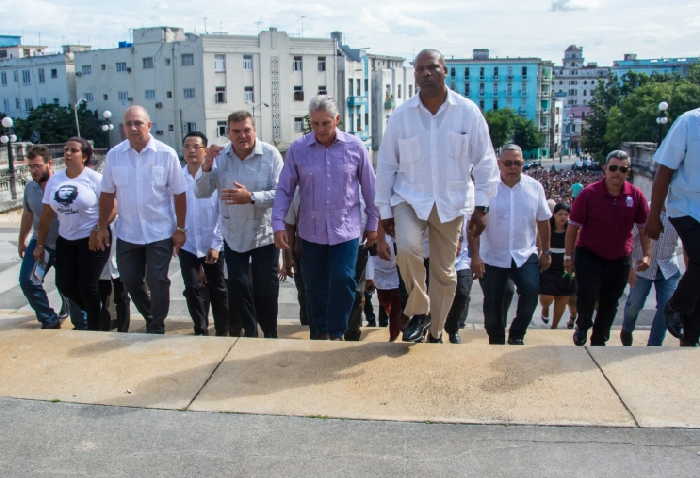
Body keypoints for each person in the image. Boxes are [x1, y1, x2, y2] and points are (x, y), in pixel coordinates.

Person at [375, 48, 499, 344]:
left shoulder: (467, 112)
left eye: (432, 67)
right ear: (414, 74)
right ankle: (419, 310)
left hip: (451, 202)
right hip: (408, 199)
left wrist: (482, 206)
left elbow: (484, 160)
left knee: (445, 274)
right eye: (420, 69)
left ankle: (434, 330)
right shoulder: (402, 116)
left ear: (444, 70)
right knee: (406, 248)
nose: (426, 73)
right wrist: (385, 212)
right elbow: (387, 165)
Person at [273, 96, 379, 340]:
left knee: (343, 280)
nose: (320, 130)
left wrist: (373, 224)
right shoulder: (298, 149)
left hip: (347, 229)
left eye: (326, 123)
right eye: (315, 124)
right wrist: (278, 223)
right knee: (315, 287)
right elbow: (284, 189)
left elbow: (371, 189)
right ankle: (318, 333)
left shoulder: (355, 147)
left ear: (337, 120)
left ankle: (337, 331)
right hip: (311, 232)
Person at [95, 105, 187, 334]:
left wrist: (181, 228)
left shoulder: (166, 154)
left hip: (160, 232)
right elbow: (107, 194)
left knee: (157, 280)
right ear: (123, 128)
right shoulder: (115, 155)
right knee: (130, 280)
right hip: (128, 232)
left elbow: (180, 193)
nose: (134, 128)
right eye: (129, 124)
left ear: (149, 126)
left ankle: (156, 325)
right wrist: (102, 226)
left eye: (138, 123)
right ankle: (150, 315)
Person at [197, 110, 283, 338]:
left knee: (266, 289)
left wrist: (251, 197)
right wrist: (206, 166)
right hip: (234, 233)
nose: (242, 136)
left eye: (247, 130)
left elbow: (282, 194)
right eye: (236, 132)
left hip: (264, 233)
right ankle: (251, 333)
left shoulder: (271, 154)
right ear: (229, 134)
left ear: (254, 130)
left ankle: (270, 332)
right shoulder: (221, 157)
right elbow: (202, 192)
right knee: (239, 285)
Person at [565, 150, 651, 346]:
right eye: (613, 168)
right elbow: (573, 227)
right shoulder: (589, 194)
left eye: (622, 169)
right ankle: (582, 324)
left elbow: (644, 228)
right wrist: (568, 257)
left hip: (619, 257)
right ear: (605, 169)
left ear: (628, 172)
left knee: (611, 300)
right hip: (589, 254)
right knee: (587, 294)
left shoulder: (635, 196)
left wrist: (647, 255)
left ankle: (600, 336)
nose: (617, 173)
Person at [472, 144, 552, 345]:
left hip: (524, 254)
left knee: (531, 291)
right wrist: (475, 256)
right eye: (508, 163)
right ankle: (496, 338)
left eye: (517, 163)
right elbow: (473, 224)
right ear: (499, 164)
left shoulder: (534, 187)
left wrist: (546, 251)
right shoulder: (486, 189)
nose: (513, 167)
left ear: (523, 164)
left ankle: (517, 334)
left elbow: (543, 221)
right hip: (493, 256)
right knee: (493, 303)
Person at [35, 137, 112, 331]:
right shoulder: (56, 180)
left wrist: (99, 228)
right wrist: (40, 244)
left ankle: (96, 327)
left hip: (93, 238)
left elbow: (112, 208)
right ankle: (99, 313)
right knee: (65, 284)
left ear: (84, 156)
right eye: (66, 150)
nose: (68, 153)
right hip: (66, 240)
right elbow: (46, 216)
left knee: (88, 285)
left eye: (74, 150)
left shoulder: (95, 179)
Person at [647, 107, 700, 346]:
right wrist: (654, 214)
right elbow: (664, 171)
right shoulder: (688, 122)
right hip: (686, 208)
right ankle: (675, 306)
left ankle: (690, 337)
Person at [18, 146, 77, 329]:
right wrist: (22, 240)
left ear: (49, 164)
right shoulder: (30, 187)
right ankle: (49, 320)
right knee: (28, 281)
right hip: (40, 244)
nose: (34, 171)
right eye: (31, 167)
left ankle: (79, 319)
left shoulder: (63, 185)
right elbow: (28, 214)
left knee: (69, 286)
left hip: (65, 242)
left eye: (37, 166)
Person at [179, 131, 229, 336]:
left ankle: (222, 331)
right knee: (192, 289)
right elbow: (172, 208)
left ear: (205, 151)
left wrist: (216, 244)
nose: (191, 150)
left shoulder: (214, 176)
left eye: (196, 146)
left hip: (213, 244)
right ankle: (200, 329)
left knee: (218, 290)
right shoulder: (176, 177)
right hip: (188, 244)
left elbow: (222, 212)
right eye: (187, 146)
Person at [620, 209, 681, 346]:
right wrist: (629, 267)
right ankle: (627, 329)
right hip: (642, 267)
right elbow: (628, 240)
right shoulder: (643, 211)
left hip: (667, 268)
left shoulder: (679, 212)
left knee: (666, 308)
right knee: (634, 305)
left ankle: (654, 344)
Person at [538, 202, 577, 329]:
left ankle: (554, 326)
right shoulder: (547, 227)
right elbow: (539, 245)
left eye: (566, 214)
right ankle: (545, 308)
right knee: (546, 297)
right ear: (554, 215)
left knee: (563, 297)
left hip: (566, 267)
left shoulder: (572, 229)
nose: (563, 217)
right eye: (560, 214)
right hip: (549, 265)